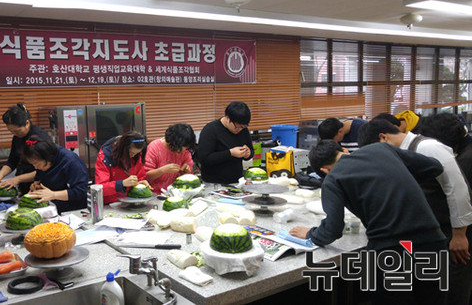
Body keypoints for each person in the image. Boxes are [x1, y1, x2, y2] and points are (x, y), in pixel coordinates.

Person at [290, 140, 447, 305]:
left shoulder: (333, 178)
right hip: (432, 241)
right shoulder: (381, 148)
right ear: (344, 149)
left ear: (324, 170)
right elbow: (435, 166)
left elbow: (333, 229)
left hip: (390, 249)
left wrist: (310, 234)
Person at [358, 118, 472, 305]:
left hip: (451, 232)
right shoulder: (401, 154)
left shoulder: (427, 147)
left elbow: (457, 188)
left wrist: (459, 234)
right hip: (428, 234)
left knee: (452, 289)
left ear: (383, 138)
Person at [0, 103, 51, 195]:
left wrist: (17, 179)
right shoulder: (17, 137)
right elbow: (12, 161)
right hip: (24, 184)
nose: (14, 134)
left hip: (40, 186)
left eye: (17, 131)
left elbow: (46, 169)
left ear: (27, 123)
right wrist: (1, 174)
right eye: (11, 131)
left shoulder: (41, 138)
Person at [20, 136, 88, 213]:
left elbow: (80, 192)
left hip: (74, 210)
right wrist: (36, 184)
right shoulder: (43, 160)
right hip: (53, 207)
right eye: (32, 164)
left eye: (37, 164)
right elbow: (39, 174)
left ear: (48, 158)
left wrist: (53, 195)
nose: (35, 167)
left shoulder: (71, 161)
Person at [198, 101, 254, 184]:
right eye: (237, 127)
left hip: (236, 181)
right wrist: (230, 153)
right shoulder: (210, 130)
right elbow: (204, 158)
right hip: (214, 183)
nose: (240, 130)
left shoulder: (243, 130)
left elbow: (251, 151)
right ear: (228, 118)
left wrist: (248, 153)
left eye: (243, 127)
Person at [94, 131, 151, 204]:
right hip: (109, 204)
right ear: (123, 149)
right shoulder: (106, 157)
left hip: (131, 202)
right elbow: (100, 188)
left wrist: (140, 182)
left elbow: (140, 176)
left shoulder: (137, 156)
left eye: (137, 153)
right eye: (131, 153)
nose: (133, 156)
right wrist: (121, 184)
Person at [145, 124, 196, 192]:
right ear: (172, 142)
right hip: (155, 193)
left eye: (186, 147)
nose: (183, 151)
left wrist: (185, 172)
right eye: (180, 148)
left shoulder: (186, 150)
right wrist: (163, 170)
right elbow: (146, 176)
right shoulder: (154, 148)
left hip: (178, 192)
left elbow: (188, 175)